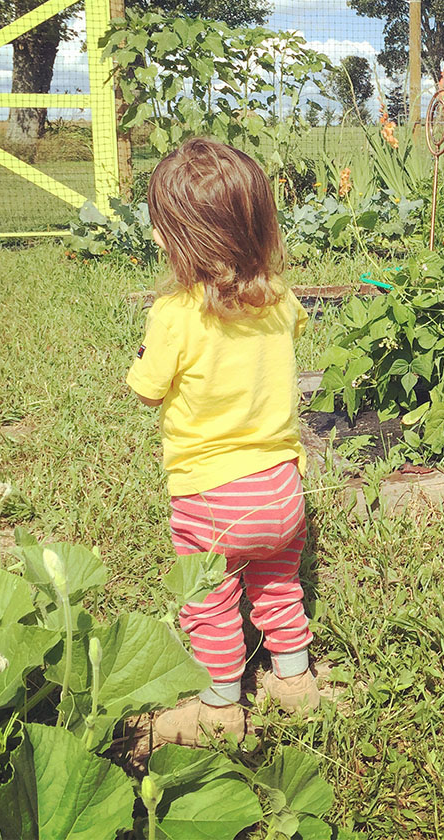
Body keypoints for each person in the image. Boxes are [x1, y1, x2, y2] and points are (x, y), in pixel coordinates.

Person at [126, 137, 320, 746]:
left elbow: (147, 390)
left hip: (211, 497)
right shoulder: (279, 298)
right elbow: (290, 328)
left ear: (175, 240)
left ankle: (218, 709)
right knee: (279, 583)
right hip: (282, 490)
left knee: (208, 602)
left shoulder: (174, 315)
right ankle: (295, 683)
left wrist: (145, 358)